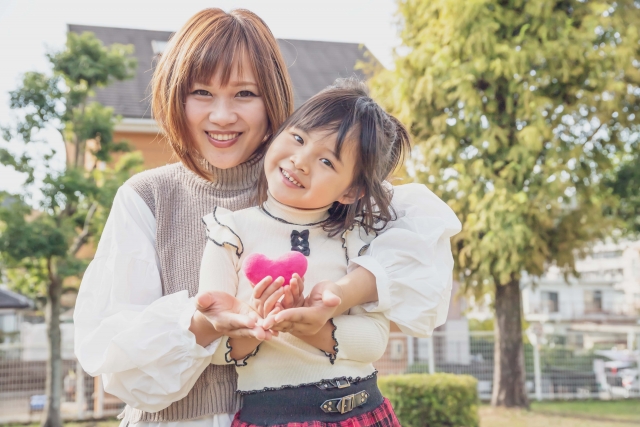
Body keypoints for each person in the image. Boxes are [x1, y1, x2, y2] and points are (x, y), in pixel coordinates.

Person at [73, 8, 461, 427]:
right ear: (175, 96)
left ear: (272, 99)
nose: (222, 116)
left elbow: (422, 246)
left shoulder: (314, 185)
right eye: (201, 92)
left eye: (244, 94)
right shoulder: (147, 197)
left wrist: (342, 294)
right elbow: (118, 361)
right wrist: (206, 325)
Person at [200, 78, 408, 426]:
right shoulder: (229, 230)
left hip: (363, 410)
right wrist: (257, 322)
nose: (300, 161)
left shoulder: (357, 239)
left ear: (351, 191)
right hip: (274, 417)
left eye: (327, 162)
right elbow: (214, 352)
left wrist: (308, 326)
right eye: (298, 138)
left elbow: (374, 340)